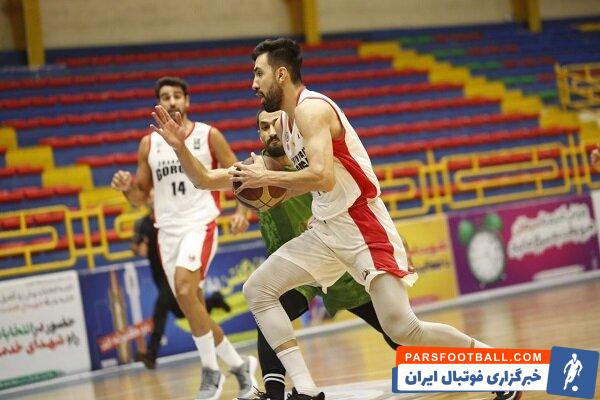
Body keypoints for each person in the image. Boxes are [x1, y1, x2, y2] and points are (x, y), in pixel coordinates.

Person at [148, 40, 520, 400]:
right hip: (326, 229)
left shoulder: (312, 109)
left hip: (362, 226)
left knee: (403, 329)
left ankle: (499, 367)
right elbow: (206, 180)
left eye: (258, 73)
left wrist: (269, 178)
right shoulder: (286, 123)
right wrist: (180, 148)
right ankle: (306, 388)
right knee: (257, 290)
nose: (253, 83)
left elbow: (323, 176)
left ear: (281, 74)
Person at [233, 109, 400, 400]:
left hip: (338, 257)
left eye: (275, 124)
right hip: (298, 264)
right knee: (268, 305)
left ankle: (461, 369)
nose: (270, 132)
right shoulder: (256, 167)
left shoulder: (312, 158)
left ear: (289, 126)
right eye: (263, 127)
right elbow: (223, 179)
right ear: (258, 134)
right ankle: (274, 394)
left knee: (398, 330)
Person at [111, 76, 257, 400]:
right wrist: (126, 189)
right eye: (165, 96)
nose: (172, 101)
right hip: (167, 231)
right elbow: (141, 197)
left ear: (187, 101)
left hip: (199, 223)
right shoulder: (148, 144)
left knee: (184, 290)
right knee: (192, 306)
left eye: (177, 95)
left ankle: (210, 372)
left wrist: (242, 212)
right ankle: (240, 365)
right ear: (158, 104)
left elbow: (241, 177)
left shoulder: (208, 135)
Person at [131, 192, 231, 370]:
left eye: (155, 195)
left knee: (160, 309)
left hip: (174, 271)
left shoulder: (170, 219)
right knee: (181, 312)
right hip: (159, 275)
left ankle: (151, 353)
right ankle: (214, 300)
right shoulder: (143, 223)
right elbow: (136, 248)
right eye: (150, 196)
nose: (152, 199)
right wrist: (140, 248)